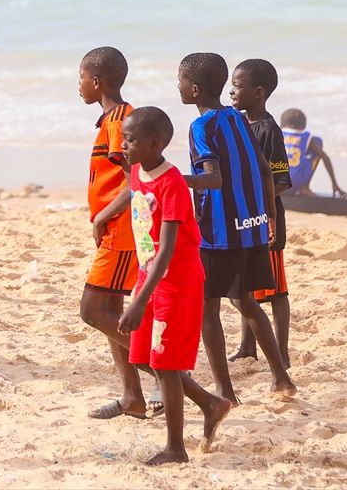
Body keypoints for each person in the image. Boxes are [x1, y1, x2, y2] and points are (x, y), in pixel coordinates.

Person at [177, 52, 296, 404]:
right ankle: (282, 379)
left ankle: (225, 391)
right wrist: (268, 215)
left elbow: (213, 179)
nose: (177, 86)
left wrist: (172, 178)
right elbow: (264, 169)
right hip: (251, 227)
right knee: (246, 302)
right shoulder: (237, 118)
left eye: (180, 81)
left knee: (207, 309)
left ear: (194, 89)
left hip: (218, 234)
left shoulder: (201, 127)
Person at [117, 106, 231, 465]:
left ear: (155, 144)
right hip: (149, 278)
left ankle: (176, 449)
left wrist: (138, 301)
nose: (123, 146)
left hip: (176, 283)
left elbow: (167, 249)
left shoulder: (173, 184)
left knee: (165, 364)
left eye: (130, 141)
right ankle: (209, 403)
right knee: (143, 357)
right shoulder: (138, 171)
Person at [77, 47, 160, 420]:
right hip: (116, 228)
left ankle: (168, 373)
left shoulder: (120, 121)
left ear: (97, 81)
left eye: (81, 78)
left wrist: (102, 217)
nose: (78, 85)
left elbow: (134, 181)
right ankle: (132, 398)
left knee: (93, 310)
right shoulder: (114, 118)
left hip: (122, 231)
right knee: (111, 311)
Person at [228, 59, 292, 367]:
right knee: (246, 286)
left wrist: (255, 202)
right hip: (245, 220)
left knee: (276, 291)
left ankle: (283, 352)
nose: (231, 91)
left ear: (259, 92)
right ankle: (247, 347)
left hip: (268, 220)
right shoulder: (238, 124)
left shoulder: (268, 129)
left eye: (237, 86)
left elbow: (281, 180)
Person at [280, 108, 347, 198]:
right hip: (296, 183)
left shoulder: (276, 134)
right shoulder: (307, 137)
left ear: (282, 123)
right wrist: (334, 184)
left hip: (277, 182)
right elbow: (325, 158)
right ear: (303, 125)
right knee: (318, 141)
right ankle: (304, 188)